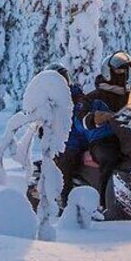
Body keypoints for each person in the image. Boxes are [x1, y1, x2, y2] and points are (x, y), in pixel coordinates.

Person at [77, 51, 131, 209]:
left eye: (125, 71)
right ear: (108, 72)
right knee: (110, 158)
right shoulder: (94, 97)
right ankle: (104, 204)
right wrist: (93, 118)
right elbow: (80, 118)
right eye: (119, 71)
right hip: (103, 140)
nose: (123, 74)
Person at [46, 63, 86, 206]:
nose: (64, 82)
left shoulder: (77, 96)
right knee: (66, 164)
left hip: (83, 137)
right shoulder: (49, 102)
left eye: (65, 78)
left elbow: (83, 113)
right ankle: (64, 201)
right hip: (66, 143)